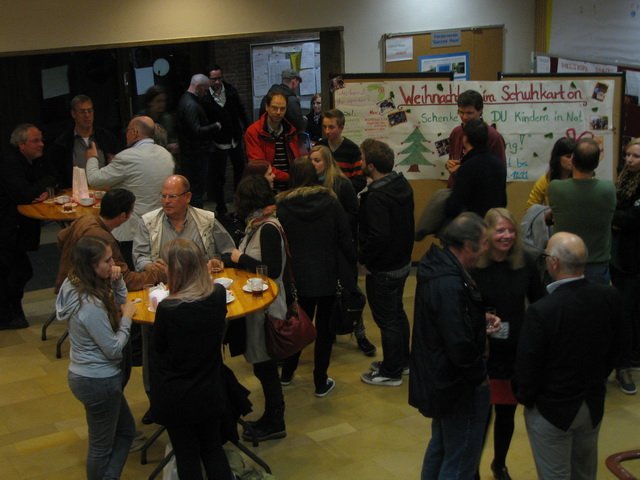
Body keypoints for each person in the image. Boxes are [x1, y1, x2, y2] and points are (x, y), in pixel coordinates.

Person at [515, 232, 621, 480]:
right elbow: (619, 348)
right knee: (585, 472)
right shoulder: (609, 297)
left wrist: (527, 398)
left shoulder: (542, 311)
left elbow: (528, 367)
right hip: (592, 404)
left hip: (551, 410)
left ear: (553, 263)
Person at [409, 212, 499, 479]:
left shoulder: (439, 270)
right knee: (460, 462)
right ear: (467, 245)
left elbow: (447, 323)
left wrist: (476, 319)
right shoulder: (450, 283)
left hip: (441, 380)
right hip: (458, 385)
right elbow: (458, 344)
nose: (487, 248)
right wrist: (479, 376)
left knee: (441, 446)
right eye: (484, 242)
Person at [471, 208, 545, 480]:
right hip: (483, 352)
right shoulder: (474, 264)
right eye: (500, 230)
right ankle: (472, 467)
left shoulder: (525, 262)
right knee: (479, 416)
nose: (507, 236)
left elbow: (539, 303)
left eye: (511, 230)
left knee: (506, 414)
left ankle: (499, 464)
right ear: (487, 233)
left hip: (512, 353)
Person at [149, 238, 232, 480]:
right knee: (213, 450)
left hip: (178, 395)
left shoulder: (168, 309)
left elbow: (159, 350)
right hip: (210, 387)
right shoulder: (218, 295)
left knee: (187, 457)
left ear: (176, 271)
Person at [56, 236, 137, 479]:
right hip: (98, 381)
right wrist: (127, 319)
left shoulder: (75, 284)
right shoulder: (89, 303)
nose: (114, 264)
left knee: (125, 431)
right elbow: (113, 349)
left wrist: (118, 280)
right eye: (107, 260)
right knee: (102, 446)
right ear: (92, 266)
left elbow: (121, 301)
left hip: (88, 377)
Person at [277, 157, 355, 397]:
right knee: (325, 331)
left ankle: (287, 373)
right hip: (328, 274)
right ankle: (320, 381)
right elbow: (345, 237)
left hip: (298, 277)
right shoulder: (330, 201)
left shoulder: (282, 206)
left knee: (298, 326)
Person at [229, 175, 287, 441]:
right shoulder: (257, 225)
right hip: (258, 306)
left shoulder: (268, 228)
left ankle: (275, 421)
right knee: (262, 367)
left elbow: (271, 270)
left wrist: (240, 258)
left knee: (265, 368)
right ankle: (272, 418)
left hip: (267, 309)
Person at [310, 144, 376, 356]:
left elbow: (354, 213)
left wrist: (333, 220)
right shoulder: (309, 183)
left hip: (341, 246)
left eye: (317, 160)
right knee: (325, 295)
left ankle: (360, 333)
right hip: (320, 249)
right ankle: (328, 332)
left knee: (350, 291)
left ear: (327, 162)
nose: (313, 164)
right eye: (311, 160)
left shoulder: (342, 184)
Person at [359, 139, 414, 386]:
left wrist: (364, 258)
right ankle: (402, 361)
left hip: (384, 267)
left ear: (371, 166)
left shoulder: (377, 197)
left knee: (387, 319)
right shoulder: (401, 184)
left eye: (362, 158)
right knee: (397, 313)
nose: (360, 162)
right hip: (401, 262)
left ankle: (391, 372)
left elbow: (378, 236)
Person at [85, 115, 175, 267]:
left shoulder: (127, 157)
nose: (126, 135)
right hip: (160, 226)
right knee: (158, 272)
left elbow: (94, 179)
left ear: (135, 132)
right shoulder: (166, 155)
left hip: (132, 232)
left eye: (127, 131)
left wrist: (92, 157)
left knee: (133, 274)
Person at [0, 123, 57, 330]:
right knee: (17, 271)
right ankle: (8, 315)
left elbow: (50, 179)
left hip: (14, 227)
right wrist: (45, 183)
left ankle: (13, 313)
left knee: (18, 270)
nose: (41, 144)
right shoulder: (10, 163)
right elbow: (23, 194)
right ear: (21, 144)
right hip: (6, 229)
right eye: (35, 141)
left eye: (41, 140)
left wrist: (41, 188)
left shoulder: (31, 161)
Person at [548, 137, 616, 285]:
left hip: (565, 263)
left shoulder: (556, 188)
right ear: (597, 164)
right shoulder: (608, 189)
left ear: (572, 160)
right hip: (597, 264)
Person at [132, 175, 235, 273]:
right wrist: (150, 266)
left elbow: (229, 251)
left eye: (172, 196)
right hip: (165, 281)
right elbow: (140, 257)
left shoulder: (207, 220)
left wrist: (218, 260)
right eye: (163, 196)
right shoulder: (148, 222)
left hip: (202, 278)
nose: (166, 201)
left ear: (187, 197)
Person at [609, 137, 640, 395]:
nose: (630, 160)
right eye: (628, 155)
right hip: (619, 255)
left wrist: (611, 217)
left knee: (628, 310)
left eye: (636, 156)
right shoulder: (623, 179)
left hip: (634, 258)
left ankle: (626, 363)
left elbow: (631, 219)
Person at [202, 64, 250, 217]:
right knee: (219, 175)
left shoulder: (230, 90)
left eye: (219, 78)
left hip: (234, 137)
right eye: (214, 79)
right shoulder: (205, 96)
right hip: (218, 141)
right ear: (208, 80)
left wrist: (246, 128)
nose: (217, 82)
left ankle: (239, 204)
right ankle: (221, 206)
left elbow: (241, 110)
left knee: (240, 170)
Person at [49, 94, 121, 188]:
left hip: (105, 191)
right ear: (73, 114)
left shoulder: (107, 138)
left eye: (90, 111)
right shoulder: (62, 143)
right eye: (82, 112)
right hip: (75, 192)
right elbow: (58, 175)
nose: (87, 115)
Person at [444, 118, 507, 221]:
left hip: (471, 225)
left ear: (465, 139)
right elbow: (503, 201)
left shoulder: (467, 168)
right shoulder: (499, 165)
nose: (464, 116)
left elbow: (454, 207)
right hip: (494, 223)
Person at [176, 74, 222, 208]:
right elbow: (196, 130)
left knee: (195, 189)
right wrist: (215, 126)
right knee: (196, 190)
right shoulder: (191, 104)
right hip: (195, 155)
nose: (206, 93)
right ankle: (197, 215)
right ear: (199, 87)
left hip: (191, 154)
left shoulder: (185, 100)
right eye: (205, 89)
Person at [445, 89, 506, 188]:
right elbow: (452, 159)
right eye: (461, 112)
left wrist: (466, 171)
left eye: (469, 113)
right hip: (456, 190)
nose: (464, 117)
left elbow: (499, 174)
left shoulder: (493, 137)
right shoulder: (456, 132)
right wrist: (449, 165)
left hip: (480, 193)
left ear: (480, 111)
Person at [245, 91, 301, 192]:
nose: (278, 112)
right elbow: (260, 167)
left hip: (291, 186)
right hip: (266, 186)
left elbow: (296, 159)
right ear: (267, 107)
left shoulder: (290, 130)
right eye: (274, 108)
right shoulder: (253, 131)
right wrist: (290, 177)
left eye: (282, 109)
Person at [318, 108, 366, 193]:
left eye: (331, 127)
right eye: (324, 127)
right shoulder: (320, 146)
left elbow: (360, 181)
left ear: (341, 128)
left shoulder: (352, 149)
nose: (327, 131)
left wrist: (342, 190)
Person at [526, 137, 576, 209]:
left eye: (575, 157)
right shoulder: (545, 181)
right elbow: (530, 208)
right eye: (568, 156)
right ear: (558, 158)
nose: (573, 160)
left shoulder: (580, 179)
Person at [139, 85, 178, 154]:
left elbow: (171, 137)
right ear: (150, 102)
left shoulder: (167, 118)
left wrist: (173, 145)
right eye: (158, 101)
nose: (162, 104)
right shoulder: (140, 120)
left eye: (164, 101)